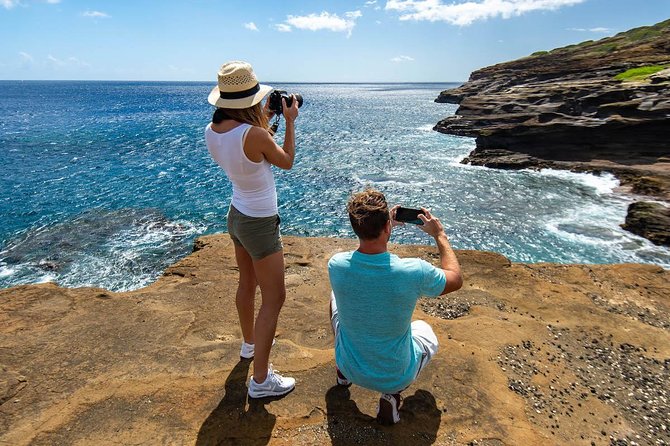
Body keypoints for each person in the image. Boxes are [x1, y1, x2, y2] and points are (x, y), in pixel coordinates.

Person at [328, 189, 463, 424]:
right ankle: (391, 395)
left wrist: (383, 225)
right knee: (423, 329)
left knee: (334, 298)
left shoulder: (336, 265)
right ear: (387, 228)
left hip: (349, 365)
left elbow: (364, 259)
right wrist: (439, 234)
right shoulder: (413, 271)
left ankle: (342, 375)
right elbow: (455, 278)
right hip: (394, 375)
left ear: (355, 227)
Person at [205, 61, 299, 398]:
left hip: (237, 214)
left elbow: (251, 147)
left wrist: (267, 121)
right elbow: (285, 160)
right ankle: (261, 381)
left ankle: (249, 346)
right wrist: (288, 121)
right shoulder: (255, 135)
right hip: (259, 222)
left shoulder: (212, 131)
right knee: (275, 297)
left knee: (247, 283)